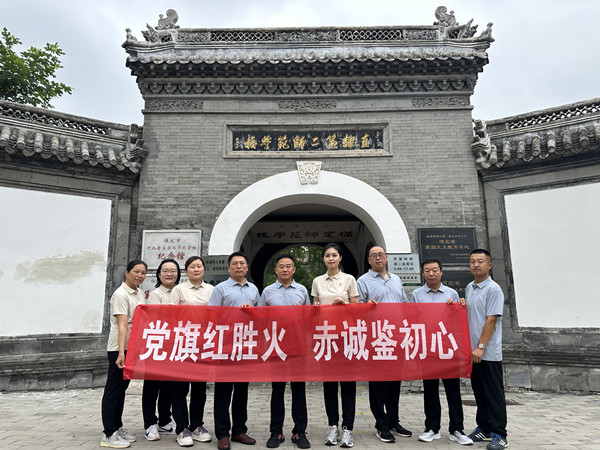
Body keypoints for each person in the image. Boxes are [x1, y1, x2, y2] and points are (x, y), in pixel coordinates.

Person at [410, 259, 473, 446]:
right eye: (427, 271)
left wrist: (458, 305)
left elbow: (457, 318)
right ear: (423, 273)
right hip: (428, 348)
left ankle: (457, 429)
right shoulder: (416, 294)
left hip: (447, 348)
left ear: (441, 272)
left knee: (453, 390)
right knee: (430, 390)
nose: (431, 274)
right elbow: (413, 319)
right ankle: (432, 428)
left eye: (435, 270)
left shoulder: (451, 293)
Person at [356, 245, 412, 444]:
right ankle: (381, 424)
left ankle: (394, 420)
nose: (378, 258)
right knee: (378, 384)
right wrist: (366, 307)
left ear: (386, 258)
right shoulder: (362, 281)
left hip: (396, 338)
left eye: (381, 255)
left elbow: (404, 305)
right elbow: (356, 309)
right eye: (374, 255)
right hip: (376, 340)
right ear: (369, 260)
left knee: (394, 383)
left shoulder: (396, 279)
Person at [258, 254, 311, 449]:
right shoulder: (268, 291)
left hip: (298, 347)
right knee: (277, 390)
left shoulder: (302, 290)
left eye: (289, 266)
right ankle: (276, 432)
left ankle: (299, 432)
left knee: (299, 390)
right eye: (281, 266)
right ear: (276, 270)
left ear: (294, 269)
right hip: (276, 348)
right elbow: (260, 317)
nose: (285, 269)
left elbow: (309, 317)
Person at [208, 252, 259, 450]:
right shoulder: (220, 289)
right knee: (223, 390)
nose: (239, 266)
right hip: (225, 345)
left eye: (242, 263)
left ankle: (239, 430)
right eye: (235, 263)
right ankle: (222, 433)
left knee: (241, 390)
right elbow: (212, 315)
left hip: (245, 345)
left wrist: (251, 312)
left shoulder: (254, 289)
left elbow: (261, 315)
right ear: (229, 268)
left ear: (247, 267)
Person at [311, 243, 359, 448]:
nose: (331, 258)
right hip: (326, 338)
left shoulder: (349, 279)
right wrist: (315, 308)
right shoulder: (317, 281)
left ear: (340, 258)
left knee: (348, 385)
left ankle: (348, 428)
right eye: (327, 255)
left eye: (334, 255)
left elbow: (357, 308)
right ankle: (332, 426)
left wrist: (344, 304)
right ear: (323, 259)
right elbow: (315, 308)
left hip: (346, 337)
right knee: (329, 385)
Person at [464, 249, 509, 450]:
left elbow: (491, 320)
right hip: (473, 352)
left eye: (480, 261)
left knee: (493, 394)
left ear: (489, 265)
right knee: (480, 393)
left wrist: (481, 347)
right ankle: (484, 428)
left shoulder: (493, 289)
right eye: (472, 261)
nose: (476, 264)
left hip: (487, 352)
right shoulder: (470, 287)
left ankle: (500, 434)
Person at [100, 260, 147, 448]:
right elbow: (122, 326)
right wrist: (121, 353)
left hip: (131, 348)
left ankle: (117, 427)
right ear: (127, 273)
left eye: (143, 272)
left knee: (121, 389)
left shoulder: (139, 293)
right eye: (136, 271)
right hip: (119, 349)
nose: (140, 275)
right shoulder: (121, 295)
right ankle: (108, 433)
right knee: (113, 390)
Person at [170, 256, 215, 447]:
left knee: (199, 388)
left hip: (203, 344)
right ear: (186, 270)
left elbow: (216, 314)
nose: (196, 269)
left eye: (199, 266)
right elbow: (171, 316)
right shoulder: (179, 290)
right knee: (180, 389)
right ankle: (182, 428)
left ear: (204, 269)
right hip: (183, 343)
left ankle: (196, 425)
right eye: (192, 266)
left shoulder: (211, 290)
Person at [142, 259, 181, 441]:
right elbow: (157, 320)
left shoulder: (180, 292)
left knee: (168, 386)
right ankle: (150, 423)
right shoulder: (156, 294)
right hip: (157, 346)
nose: (169, 274)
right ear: (159, 274)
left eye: (173, 271)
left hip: (175, 346)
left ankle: (165, 420)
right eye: (165, 271)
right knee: (152, 386)